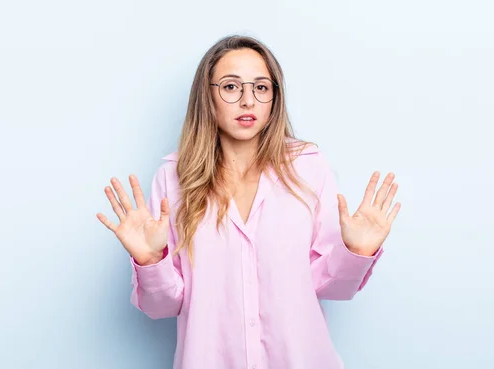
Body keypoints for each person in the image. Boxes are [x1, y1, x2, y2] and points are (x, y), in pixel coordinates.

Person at [97, 34, 401, 369]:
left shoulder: (309, 167)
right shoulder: (173, 179)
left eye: (261, 87)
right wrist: (150, 259)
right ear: (206, 96)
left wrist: (356, 253)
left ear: (274, 97)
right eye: (230, 87)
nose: (248, 101)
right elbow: (161, 307)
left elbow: (333, 287)